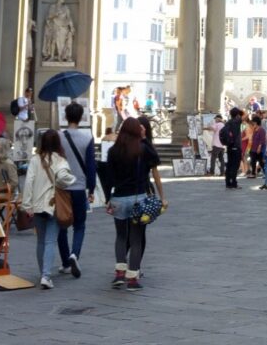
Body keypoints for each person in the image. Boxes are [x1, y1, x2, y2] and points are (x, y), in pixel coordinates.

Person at [98, 117, 165, 290]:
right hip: (138, 198)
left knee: (121, 236)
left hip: (119, 198)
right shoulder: (143, 149)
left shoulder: (114, 151)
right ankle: (133, 278)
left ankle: (120, 272)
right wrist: (145, 139)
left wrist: (108, 198)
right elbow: (155, 160)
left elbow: (108, 178)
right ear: (138, 131)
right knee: (136, 239)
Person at [19, 130, 74, 289]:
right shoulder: (61, 160)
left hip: (37, 206)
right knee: (50, 241)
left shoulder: (35, 160)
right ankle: (46, 275)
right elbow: (64, 180)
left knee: (41, 241)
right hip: (53, 205)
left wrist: (27, 205)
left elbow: (29, 182)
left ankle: (42, 272)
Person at [55, 103, 96, 277]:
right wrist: (91, 188)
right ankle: (74, 254)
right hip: (79, 187)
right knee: (79, 225)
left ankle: (65, 262)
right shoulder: (87, 137)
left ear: (65, 116)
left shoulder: (58, 136)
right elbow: (91, 166)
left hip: (62, 187)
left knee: (61, 225)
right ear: (81, 117)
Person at [220, 108, 244, 189]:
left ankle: (228, 183)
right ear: (237, 115)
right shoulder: (237, 121)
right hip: (236, 146)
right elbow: (245, 115)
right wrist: (240, 112)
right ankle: (234, 183)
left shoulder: (228, 122)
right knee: (235, 165)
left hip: (229, 146)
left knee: (229, 164)